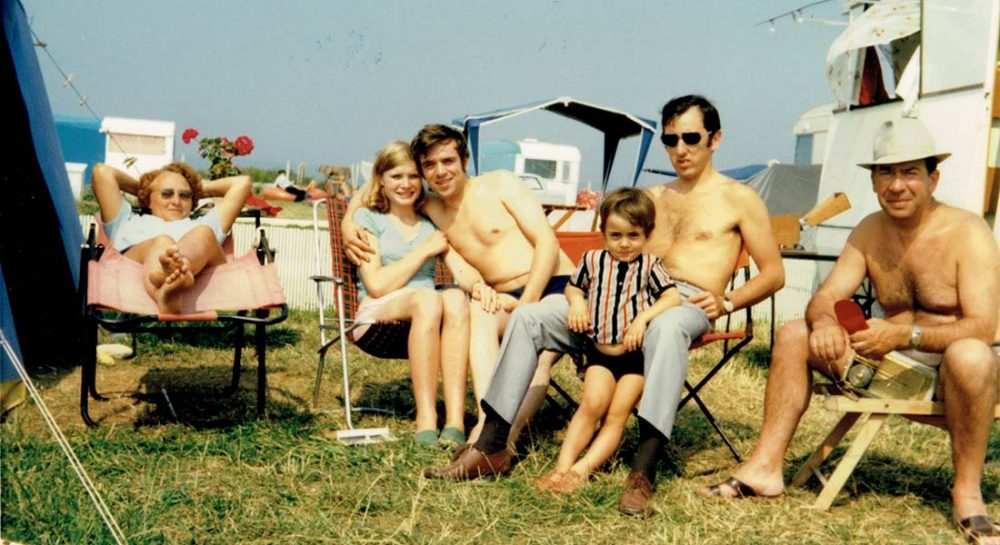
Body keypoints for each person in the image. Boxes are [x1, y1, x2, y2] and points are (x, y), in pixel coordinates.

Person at [424, 95, 784, 519]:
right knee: (529, 316)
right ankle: (490, 447)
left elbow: (773, 273)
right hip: (616, 298)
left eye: (691, 137)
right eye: (671, 139)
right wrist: (580, 298)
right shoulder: (650, 197)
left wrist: (727, 300)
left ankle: (642, 474)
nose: (681, 149)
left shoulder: (739, 199)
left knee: (666, 329)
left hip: (684, 300)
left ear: (715, 139)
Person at [699, 117, 1000, 544]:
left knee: (970, 354)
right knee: (793, 334)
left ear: (933, 179)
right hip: (889, 369)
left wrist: (903, 335)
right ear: (874, 182)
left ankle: (967, 494)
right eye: (885, 173)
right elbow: (825, 297)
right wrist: (823, 323)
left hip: (960, 376)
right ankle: (764, 468)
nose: (897, 185)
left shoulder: (968, 232)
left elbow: (982, 328)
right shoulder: (870, 230)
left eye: (910, 172)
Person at [344, 125, 576, 444]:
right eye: (429, 165)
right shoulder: (430, 208)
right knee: (475, 313)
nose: (440, 171)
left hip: (554, 284)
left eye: (448, 161)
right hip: (503, 297)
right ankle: (486, 421)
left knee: (533, 348)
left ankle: (504, 440)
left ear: (464, 160)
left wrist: (528, 304)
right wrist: (347, 224)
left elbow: (546, 243)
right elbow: (379, 185)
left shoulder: (500, 184)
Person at [534, 188, 680, 494]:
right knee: (591, 405)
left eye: (633, 235)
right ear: (603, 233)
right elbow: (574, 288)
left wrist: (643, 318)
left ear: (647, 234)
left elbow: (672, 296)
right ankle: (561, 469)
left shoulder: (650, 265)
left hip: (635, 357)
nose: (624, 243)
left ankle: (580, 472)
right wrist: (576, 303)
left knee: (616, 415)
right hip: (599, 353)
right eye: (615, 235)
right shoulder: (592, 260)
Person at [351, 141, 475, 444]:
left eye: (412, 177)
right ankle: (426, 417)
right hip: (377, 313)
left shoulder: (430, 221)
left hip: (426, 317)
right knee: (428, 298)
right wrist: (424, 251)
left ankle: (455, 421)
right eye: (396, 177)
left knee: (457, 298)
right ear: (381, 179)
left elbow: (461, 273)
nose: (406, 185)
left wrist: (483, 287)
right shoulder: (368, 219)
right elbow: (377, 285)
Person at [91, 162, 251, 314]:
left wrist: (196, 188)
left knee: (204, 232)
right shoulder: (126, 220)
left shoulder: (202, 224)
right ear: (148, 199)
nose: (176, 201)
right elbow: (102, 172)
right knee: (163, 241)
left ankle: (174, 273)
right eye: (167, 194)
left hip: (191, 261)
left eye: (185, 195)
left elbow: (242, 183)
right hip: (130, 267)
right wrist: (145, 188)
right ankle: (173, 279)